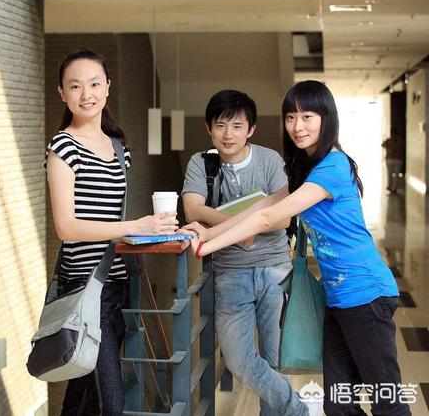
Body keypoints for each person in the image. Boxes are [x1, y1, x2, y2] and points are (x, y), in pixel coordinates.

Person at [183, 80, 408, 416]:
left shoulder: (333, 167)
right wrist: (207, 231)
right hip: (338, 298)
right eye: (291, 117)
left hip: (367, 294)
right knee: (338, 406)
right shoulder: (308, 168)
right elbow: (261, 207)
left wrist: (208, 245)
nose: (297, 126)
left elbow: (268, 217)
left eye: (307, 116)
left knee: (387, 404)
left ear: (326, 118)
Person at [45, 48, 177, 415]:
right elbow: (66, 227)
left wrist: (152, 232)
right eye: (75, 86)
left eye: (94, 84)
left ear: (107, 87)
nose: (86, 94)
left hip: (119, 284)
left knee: (85, 394)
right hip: (85, 287)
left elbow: (108, 219)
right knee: (112, 403)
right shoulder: (62, 147)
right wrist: (135, 225)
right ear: (62, 93)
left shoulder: (119, 149)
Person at [182, 89, 308, 416]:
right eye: (220, 125)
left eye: (237, 126)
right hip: (230, 271)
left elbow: (282, 218)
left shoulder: (270, 160)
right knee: (238, 360)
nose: (228, 134)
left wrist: (233, 227)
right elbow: (193, 209)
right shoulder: (202, 163)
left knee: (275, 360)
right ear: (209, 127)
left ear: (251, 129)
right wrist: (239, 227)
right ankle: (298, 409)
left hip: (275, 269)